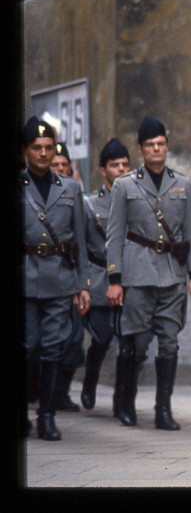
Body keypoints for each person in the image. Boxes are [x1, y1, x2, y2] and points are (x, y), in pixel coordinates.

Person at [105, 116, 191, 430]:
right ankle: (127, 401)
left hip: (172, 275)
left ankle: (164, 409)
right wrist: (115, 279)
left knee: (170, 342)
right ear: (141, 149)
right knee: (136, 344)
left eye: (161, 143)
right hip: (138, 272)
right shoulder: (125, 185)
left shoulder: (183, 184)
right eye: (150, 145)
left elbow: (190, 233)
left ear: (167, 146)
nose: (156, 149)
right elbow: (115, 234)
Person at [21, 117, 91, 440]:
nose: (44, 153)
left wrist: (82, 284)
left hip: (60, 278)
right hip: (26, 276)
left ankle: (46, 415)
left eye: (49, 147)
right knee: (28, 346)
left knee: (52, 348)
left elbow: (79, 240)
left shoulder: (71, 188)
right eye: (37, 148)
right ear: (25, 151)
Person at [79, 138, 131, 412]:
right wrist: (84, 284)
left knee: (127, 343)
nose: (121, 169)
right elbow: (83, 248)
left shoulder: (138, 200)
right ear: (103, 170)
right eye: (115, 165)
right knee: (101, 338)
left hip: (129, 279)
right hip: (100, 278)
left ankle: (121, 399)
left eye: (125, 164)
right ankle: (90, 379)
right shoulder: (89, 205)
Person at [49, 142, 85, 413]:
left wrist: (82, 283)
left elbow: (81, 241)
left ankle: (60, 393)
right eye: (56, 166)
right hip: (38, 276)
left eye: (65, 166)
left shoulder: (75, 195)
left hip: (67, 275)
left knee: (72, 340)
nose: (61, 170)